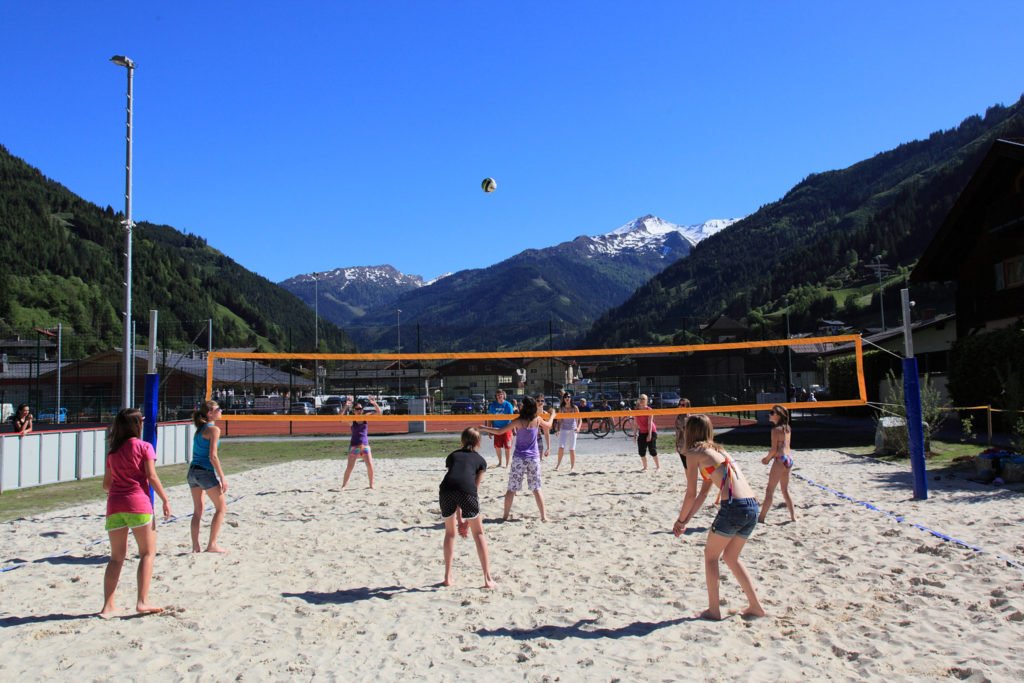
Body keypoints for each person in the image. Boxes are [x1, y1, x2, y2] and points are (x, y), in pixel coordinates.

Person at [673, 414, 765, 620]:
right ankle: (755, 606)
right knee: (731, 558)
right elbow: (704, 494)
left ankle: (714, 610)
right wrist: (686, 521)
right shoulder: (719, 451)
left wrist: (679, 521)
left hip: (735, 506)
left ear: (691, 431)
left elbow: (691, 493)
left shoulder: (694, 452)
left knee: (711, 557)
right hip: (751, 506)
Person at [100, 408, 172, 618]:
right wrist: (165, 499)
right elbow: (152, 476)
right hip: (137, 503)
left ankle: (107, 606)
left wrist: (123, 481)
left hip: (114, 505)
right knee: (147, 553)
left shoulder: (113, 452)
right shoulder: (144, 447)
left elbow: (106, 485)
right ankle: (142, 601)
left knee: (116, 558)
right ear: (137, 424)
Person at [479, 396, 555, 522]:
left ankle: (505, 516)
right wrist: (553, 415)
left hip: (519, 458)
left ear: (524, 407)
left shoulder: (518, 421)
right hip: (533, 458)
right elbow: (549, 425)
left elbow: (499, 431)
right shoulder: (537, 420)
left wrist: (484, 428)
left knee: (512, 489)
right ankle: (543, 516)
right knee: (536, 488)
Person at [439, 428, 495, 589]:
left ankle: (447, 577)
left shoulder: (453, 456)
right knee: (478, 533)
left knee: (450, 533)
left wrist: (460, 520)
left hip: (446, 489)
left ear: (462, 441)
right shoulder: (480, 461)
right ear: (478, 443)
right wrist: (465, 522)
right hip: (465, 490)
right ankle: (487, 579)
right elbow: (472, 490)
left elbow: (455, 482)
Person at [189, 400, 230, 553]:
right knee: (221, 508)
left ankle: (195, 546)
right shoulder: (213, 430)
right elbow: (213, 456)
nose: (221, 410)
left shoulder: (199, 429)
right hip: (204, 472)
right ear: (209, 413)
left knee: (197, 511)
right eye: (218, 409)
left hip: (192, 471)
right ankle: (212, 544)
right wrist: (222, 477)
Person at [759, 405, 796, 523]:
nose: (769, 414)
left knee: (770, 491)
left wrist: (767, 459)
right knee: (785, 490)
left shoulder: (775, 430)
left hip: (780, 460)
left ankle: (761, 518)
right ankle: (793, 517)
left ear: (778, 415)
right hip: (789, 460)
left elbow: (773, 450)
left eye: (772, 412)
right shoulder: (787, 428)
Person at [342, 397, 378, 489]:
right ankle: (344, 485)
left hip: (365, 446)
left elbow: (379, 413)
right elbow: (340, 417)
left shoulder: (366, 417)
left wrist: (374, 403)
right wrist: (346, 406)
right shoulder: (352, 421)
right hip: (355, 447)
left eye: (360, 409)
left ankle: (371, 485)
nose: (359, 410)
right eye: (357, 409)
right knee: (349, 467)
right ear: (354, 410)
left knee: (370, 466)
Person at [486, 389, 515, 468]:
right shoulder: (493, 405)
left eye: (501, 394)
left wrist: (513, 429)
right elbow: (489, 419)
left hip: (507, 428)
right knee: (497, 446)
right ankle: (500, 462)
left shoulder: (508, 405)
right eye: (498, 395)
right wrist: (489, 430)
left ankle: (507, 464)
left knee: (507, 447)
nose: (499, 396)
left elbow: (512, 418)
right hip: (497, 429)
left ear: (504, 396)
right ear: (496, 396)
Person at [554, 392, 581, 471]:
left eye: (568, 397)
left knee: (572, 449)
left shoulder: (575, 407)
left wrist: (578, 428)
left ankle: (572, 467)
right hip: (563, 429)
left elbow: (580, 419)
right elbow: (559, 421)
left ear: (570, 398)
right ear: (563, 399)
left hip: (573, 429)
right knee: (561, 447)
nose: (567, 398)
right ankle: (558, 466)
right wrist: (558, 430)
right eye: (565, 397)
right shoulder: (561, 408)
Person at [633, 394, 660, 471]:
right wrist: (634, 435)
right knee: (641, 451)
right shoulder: (636, 411)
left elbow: (649, 423)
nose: (641, 400)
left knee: (652, 450)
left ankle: (658, 467)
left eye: (643, 399)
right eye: (640, 398)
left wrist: (649, 435)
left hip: (651, 430)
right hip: (642, 432)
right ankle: (645, 467)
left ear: (646, 401)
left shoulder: (649, 410)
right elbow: (635, 424)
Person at [674, 398, 692, 467]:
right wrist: (676, 444)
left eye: (683, 405)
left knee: (688, 465)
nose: (680, 406)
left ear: (687, 407)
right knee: (686, 465)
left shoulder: (687, 418)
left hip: (687, 445)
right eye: (679, 404)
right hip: (681, 443)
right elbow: (677, 432)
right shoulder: (679, 416)